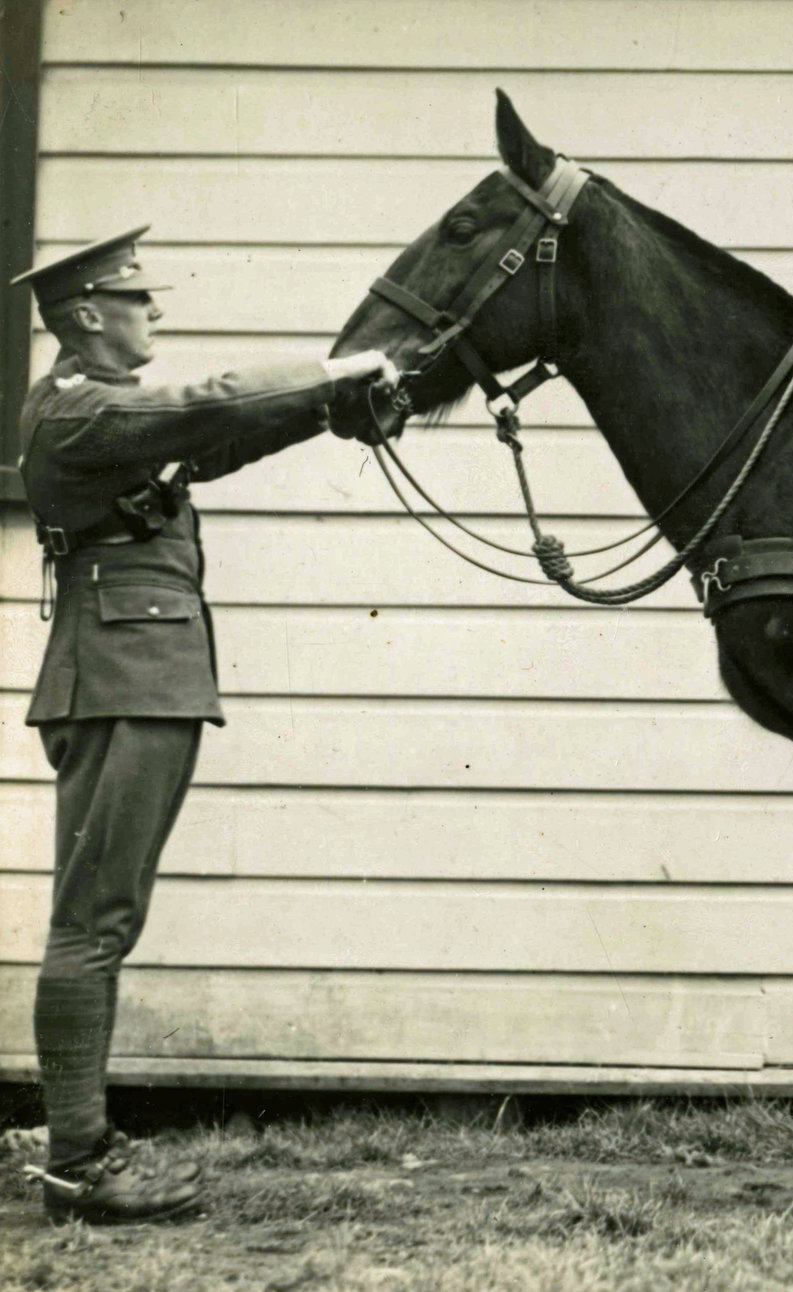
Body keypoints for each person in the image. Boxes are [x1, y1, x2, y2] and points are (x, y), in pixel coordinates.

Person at [8, 227, 397, 1224]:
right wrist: (332, 371)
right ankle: (78, 1157)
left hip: (138, 672)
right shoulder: (80, 411)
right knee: (93, 924)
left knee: (101, 918)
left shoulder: (100, 413)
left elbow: (210, 443)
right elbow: (205, 404)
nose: (155, 312)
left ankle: (75, 1139)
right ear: (88, 313)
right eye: (137, 298)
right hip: (123, 677)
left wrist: (327, 411)